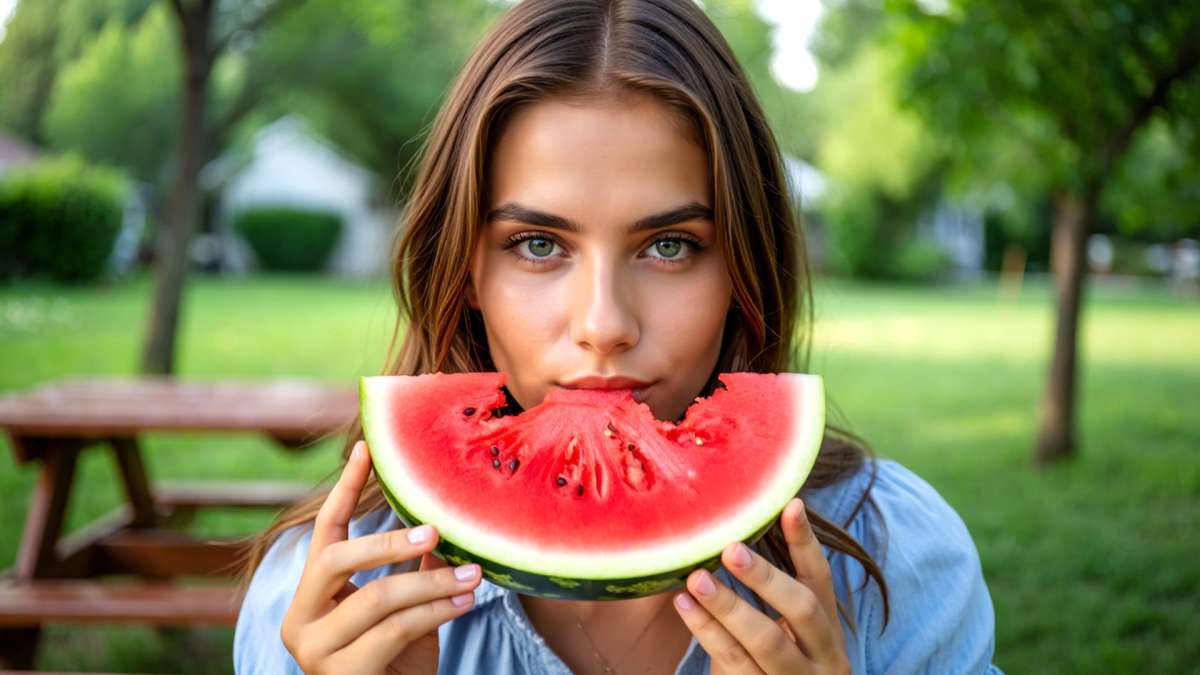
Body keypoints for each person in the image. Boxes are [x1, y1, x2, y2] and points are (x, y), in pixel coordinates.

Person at [233, 0, 1003, 672]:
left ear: (744, 268)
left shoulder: (896, 562)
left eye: (669, 245)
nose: (603, 325)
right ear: (465, 270)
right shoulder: (319, 605)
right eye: (538, 243)